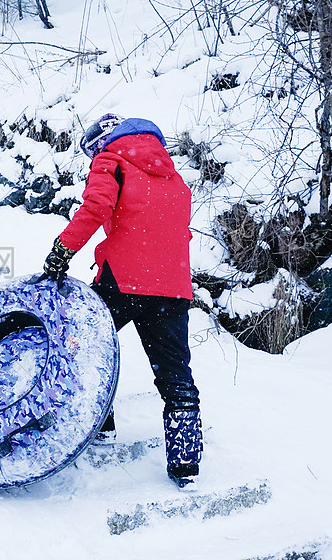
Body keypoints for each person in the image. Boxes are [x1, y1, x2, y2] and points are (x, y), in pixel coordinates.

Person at [41, 114, 203, 488]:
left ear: (101, 142)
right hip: (173, 287)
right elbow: (176, 232)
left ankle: (101, 427)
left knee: (84, 348)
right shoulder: (174, 178)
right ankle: (185, 464)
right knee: (176, 375)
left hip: (123, 281)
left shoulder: (110, 161)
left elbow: (94, 209)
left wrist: (61, 251)